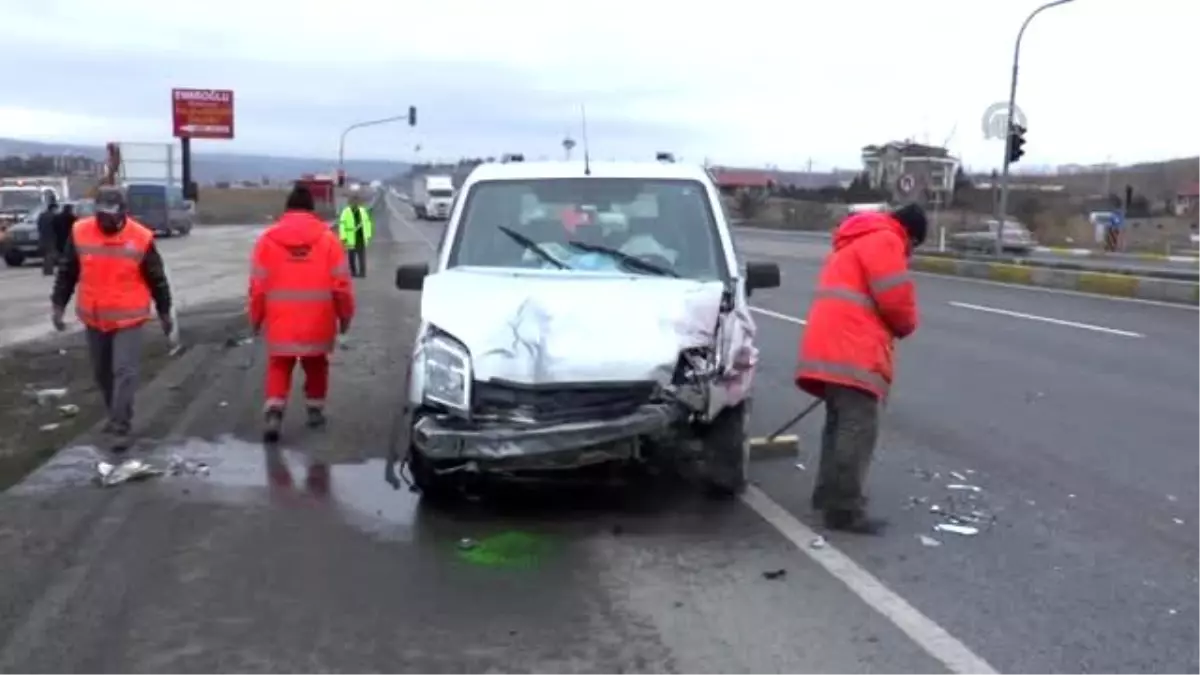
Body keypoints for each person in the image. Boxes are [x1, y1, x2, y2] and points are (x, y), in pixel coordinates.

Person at [794, 203, 926, 535]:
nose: (908, 254)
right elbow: (896, 298)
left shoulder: (855, 239)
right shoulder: (885, 240)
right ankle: (843, 508)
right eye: (913, 247)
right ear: (909, 233)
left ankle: (828, 496)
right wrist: (907, 324)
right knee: (858, 427)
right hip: (852, 348)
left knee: (839, 424)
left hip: (831, 343)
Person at [51, 186, 174, 451]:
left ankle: (121, 426)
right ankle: (114, 413)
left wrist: (165, 312)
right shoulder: (80, 232)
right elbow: (67, 271)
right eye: (101, 214)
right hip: (94, 317)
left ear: (123, 212)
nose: (105, 220)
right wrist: (58, 305)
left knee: (124, 371)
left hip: (128, 318)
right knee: (102, 373)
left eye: (111, 215)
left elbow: (157, 279)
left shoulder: (140, 238)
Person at [249, 184, 356, 442]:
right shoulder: (328, 240)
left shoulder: (267, 241)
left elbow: (257, 288)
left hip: (280, 320)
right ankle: (315, 410)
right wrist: (345, 317)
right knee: (316, 364)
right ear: (312, 209)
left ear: (287, 209)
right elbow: (341, 286)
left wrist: (255, 319)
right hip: (318, 320)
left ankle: (275, 411)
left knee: (279, 365)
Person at [337, 192, 374, 278]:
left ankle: (362, 272)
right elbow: (342, 225)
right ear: (350, 202)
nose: (355, 203)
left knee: (362, 257)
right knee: (351, 258)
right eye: (353, 201)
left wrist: (368, 235)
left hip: (361, 237)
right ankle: (353, 272)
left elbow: (367, 223)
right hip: (350, 239)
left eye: (357, 201)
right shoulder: (346, 212)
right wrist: (343, 237)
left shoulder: (363, 211)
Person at [37, 200, 59, 276]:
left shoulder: (42, 215)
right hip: (51, 237)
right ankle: (49, 270)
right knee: (50, 254)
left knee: (46, 254)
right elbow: (56, 227)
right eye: (56, 209)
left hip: (43, 236)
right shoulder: (53, 216)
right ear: (53, 209)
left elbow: (39, 226)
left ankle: (46, 270)